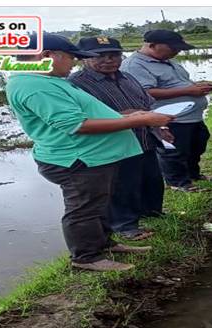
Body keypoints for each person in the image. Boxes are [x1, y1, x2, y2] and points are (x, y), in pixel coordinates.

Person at [6, 33, 173, 272]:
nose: (73, 64)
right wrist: (143, 118)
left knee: (99, 204)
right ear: (46, 56)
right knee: (83, 209)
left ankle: (105, 244)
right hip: (77, 158)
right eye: (70, 58)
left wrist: (129, 116)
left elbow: (89, 115)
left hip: (94, 156)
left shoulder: (48, 81)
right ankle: (86, 257)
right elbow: (78, 125)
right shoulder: (35, 86)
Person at [70, 36, 171, 241]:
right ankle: (125, 226)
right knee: (123, 185)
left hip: (144, 137)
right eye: (100, 56)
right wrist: (126, 115)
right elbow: (83, 119)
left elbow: (148, 106)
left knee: (151, 179)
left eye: (114, 54)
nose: (109, 60)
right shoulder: (76, 85)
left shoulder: (127, 77)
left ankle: (152, 213)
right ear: (83, 58)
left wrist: (161, 126)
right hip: (114, 144)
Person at [122, 29, 212, 193]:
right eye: (173, 48)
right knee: (173, 152)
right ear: (152, 45)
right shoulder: (135, 65)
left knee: (196, 147)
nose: (177, 51)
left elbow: (178, 83)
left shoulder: (168, 61)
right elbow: (145, 93)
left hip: (191, 117)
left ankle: (193, 175)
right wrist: (188, 91)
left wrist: (198, 86)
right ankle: (178, 183)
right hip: (169, 118)